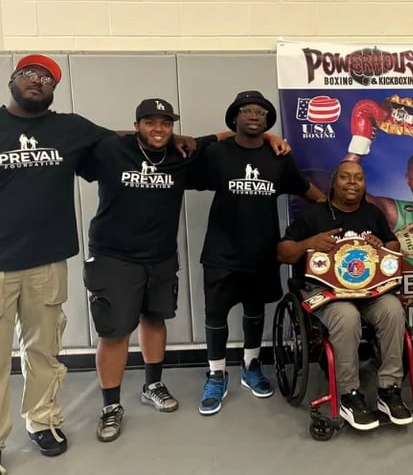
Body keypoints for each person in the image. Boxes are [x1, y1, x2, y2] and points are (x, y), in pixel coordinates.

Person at [77, 98, 290, 441]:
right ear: (136, 125)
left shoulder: (181, 153)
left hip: (160, 256)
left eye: (165, 123)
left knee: (154, 319)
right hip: (113, 256)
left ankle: (153, 385)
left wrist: (267, 137)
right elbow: (86, 146)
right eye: (150, 122)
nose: (158, 129)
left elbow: (229, 136)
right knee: (115, 332)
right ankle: (111, 406)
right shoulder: (111, 150)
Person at [0, 54, 113, 466]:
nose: (38, 81)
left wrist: (206, 139)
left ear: (53, 91)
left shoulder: (70, 128)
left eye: (48, 78)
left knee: (44, 351)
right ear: (12, 80)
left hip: (46, 262)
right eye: (30, 74)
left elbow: (126, 140)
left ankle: (42, 421)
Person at [191, 91, 324, 416]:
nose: (254, 116)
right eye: (247, 111)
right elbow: (188, 158)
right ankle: (216, 373)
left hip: (262, 250)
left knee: (254, 311)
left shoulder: (279, 156)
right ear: (234, 117)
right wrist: (219, 136)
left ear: (267, 121)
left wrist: (329, 207)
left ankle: (251, 366)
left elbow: (303, 188)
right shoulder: (218, 153)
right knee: (216, 315)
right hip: (221, 253)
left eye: (261, 112)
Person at [278, 160, 413, 430]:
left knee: (393, 310)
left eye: (359, 178)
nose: (352, 182)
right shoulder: (314, 215)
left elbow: (393, 245)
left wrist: (382, 245)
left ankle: (389, 389)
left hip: (368, 291)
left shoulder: (372, 213)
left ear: (364, 184)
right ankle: (349, 394)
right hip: (326, 292)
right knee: (346, 316)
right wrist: (310, 243)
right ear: (333, 182)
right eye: (345, 177)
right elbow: (283, 253)